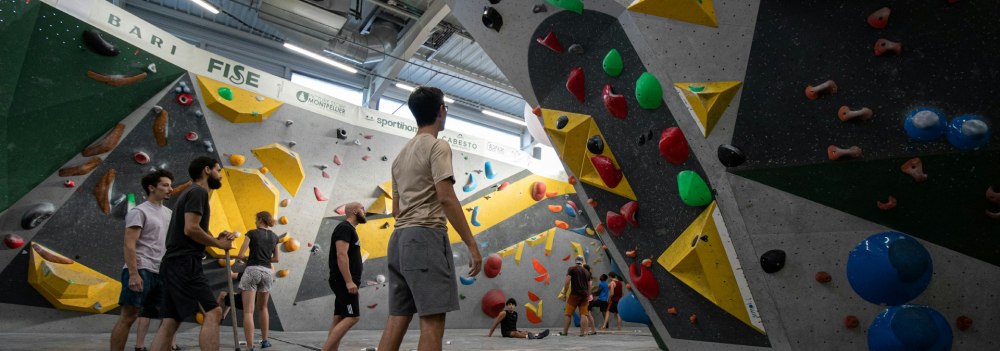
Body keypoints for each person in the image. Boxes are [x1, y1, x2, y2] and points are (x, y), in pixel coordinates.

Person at [377, 86, 483, 351]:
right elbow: (446, 197)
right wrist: (471, 244)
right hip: (426, 237)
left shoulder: (400, 157)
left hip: (399, 240)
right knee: (433, 322)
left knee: (397, 318)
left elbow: (396, 209)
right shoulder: (438, 146)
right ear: (441, 112)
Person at [149, 157, 235, 351]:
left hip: (173, 264)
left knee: (171, 320)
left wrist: (214, 237)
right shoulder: (198, 192)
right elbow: (191, 229)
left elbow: (191, 230)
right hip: (184, 263)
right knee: (214, 312)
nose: (220, 175)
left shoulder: (190, 193)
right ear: (207, 170)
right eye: (218, 170)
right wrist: (218, 243)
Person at [110, 170, 180, 351]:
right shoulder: (139, 211)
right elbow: (129, 244)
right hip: (141, 269)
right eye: (165, 185)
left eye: (170, 185)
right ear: (151, 188)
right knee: (129, 315)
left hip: (161, 272)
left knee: (168, 317)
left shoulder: (169, 213)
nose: (170, 189)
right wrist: (133, 274)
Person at [322, 202, 367, 351]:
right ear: (354, 211)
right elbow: (341, 255)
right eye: (362, 209)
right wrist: (349, 282)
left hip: (344, 281)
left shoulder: (349, 229)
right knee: (352, 317)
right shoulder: (344, 228)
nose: (365, 211)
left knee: (339, 318)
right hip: (343, 281)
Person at [236, 211, 281, 350]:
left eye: (256, 219)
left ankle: (250, 347)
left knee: (249, 311)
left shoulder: (252, 233)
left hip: (252, 270)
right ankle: (265, 341)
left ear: (261, 220)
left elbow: (241, 254)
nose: (255, 222)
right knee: (263, 308)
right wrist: (263, 259)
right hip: (267, 273)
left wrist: (249, 260)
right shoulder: (274, 237)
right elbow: (276, 259)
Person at [486, 298, 550, 339]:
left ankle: (538, 335)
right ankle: (529, 337)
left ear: (515, 306)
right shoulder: (503, 313)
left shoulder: (515, 314)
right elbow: (495, 324)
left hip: (514, 330)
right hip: (506, 332)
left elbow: (514, 324)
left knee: (526, 331)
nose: (511, 306)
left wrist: (519, 332)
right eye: (509, 304)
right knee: (516, 333)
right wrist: (489, 335)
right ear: (507, 306)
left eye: (513, 304)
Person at [560, 256, 591, 336]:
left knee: (568, 314)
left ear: (575, 261)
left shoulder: (572, 269)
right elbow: (589, 286)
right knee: (583, 314)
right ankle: (582, 333)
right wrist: (588, 297)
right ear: (582, 262)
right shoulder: (587, 272)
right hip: (584, 295)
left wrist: (564, 293)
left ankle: (565, 332)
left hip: (574, 294)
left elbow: (567, 282)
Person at [583, 264, 598, 336]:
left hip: (586, 298)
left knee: (585, 315)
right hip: (590, 297)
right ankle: (593, 330)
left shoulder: (585, 277)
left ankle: (586, 331)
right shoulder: (590, 277)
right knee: (589, 315)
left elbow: (587, 288)